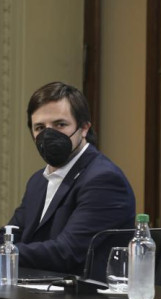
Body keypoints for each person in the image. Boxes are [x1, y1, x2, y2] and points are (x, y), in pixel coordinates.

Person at [8, 81, 136, 275]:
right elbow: (13, 233)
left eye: (60, 124)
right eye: (40, 128)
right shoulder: (38, 180)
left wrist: (5, 253)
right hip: (39, 291)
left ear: (84, 128)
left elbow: (67, 253)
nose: (48, 134)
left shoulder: (104, 180)